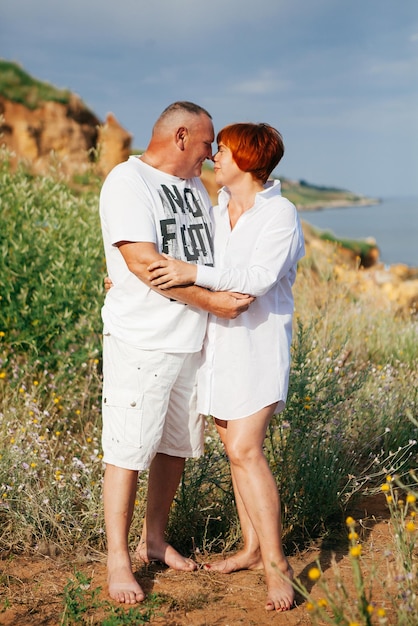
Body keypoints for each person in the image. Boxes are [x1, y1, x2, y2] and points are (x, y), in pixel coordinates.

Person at [99, 102, 254, 605]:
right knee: (128, 451)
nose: (211, 158)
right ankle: (118, 560)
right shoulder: (128, 183)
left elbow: (198, 258)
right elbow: (145, 264)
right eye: (208, 144)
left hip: (191, 340)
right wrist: (214, 302)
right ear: (182, 136)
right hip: (143, 340)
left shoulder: (191, 186)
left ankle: (154, 539)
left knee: (174, 447)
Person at [147, 122, 305, 612]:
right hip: (218, 347)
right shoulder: (217, 212)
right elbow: (187, 259)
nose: (216, 155)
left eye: (225, 149)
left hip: (258, 346)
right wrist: (132, 279)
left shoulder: (280, 214)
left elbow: (255, 280)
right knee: (236, 453)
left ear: (249, 159)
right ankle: (252, 548)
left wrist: (195, 275)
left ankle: (277, 566)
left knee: (245, 449)